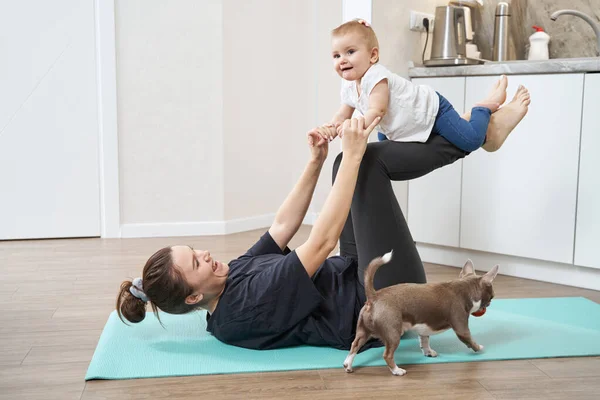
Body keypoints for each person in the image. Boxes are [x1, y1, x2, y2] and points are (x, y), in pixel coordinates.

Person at [324, 19, 529, 153]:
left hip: (432, 111)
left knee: (470, 141)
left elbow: (377, 110)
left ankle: (482, 109)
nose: (342, 60)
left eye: (350, 52)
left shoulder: (376, 76)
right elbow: (342, 114)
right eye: (336, 55)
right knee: (386, 148)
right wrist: (331, 129)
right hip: (401, 124)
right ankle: (463, 120)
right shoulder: (348, 86)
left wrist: (354, 127)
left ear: (373, 55)